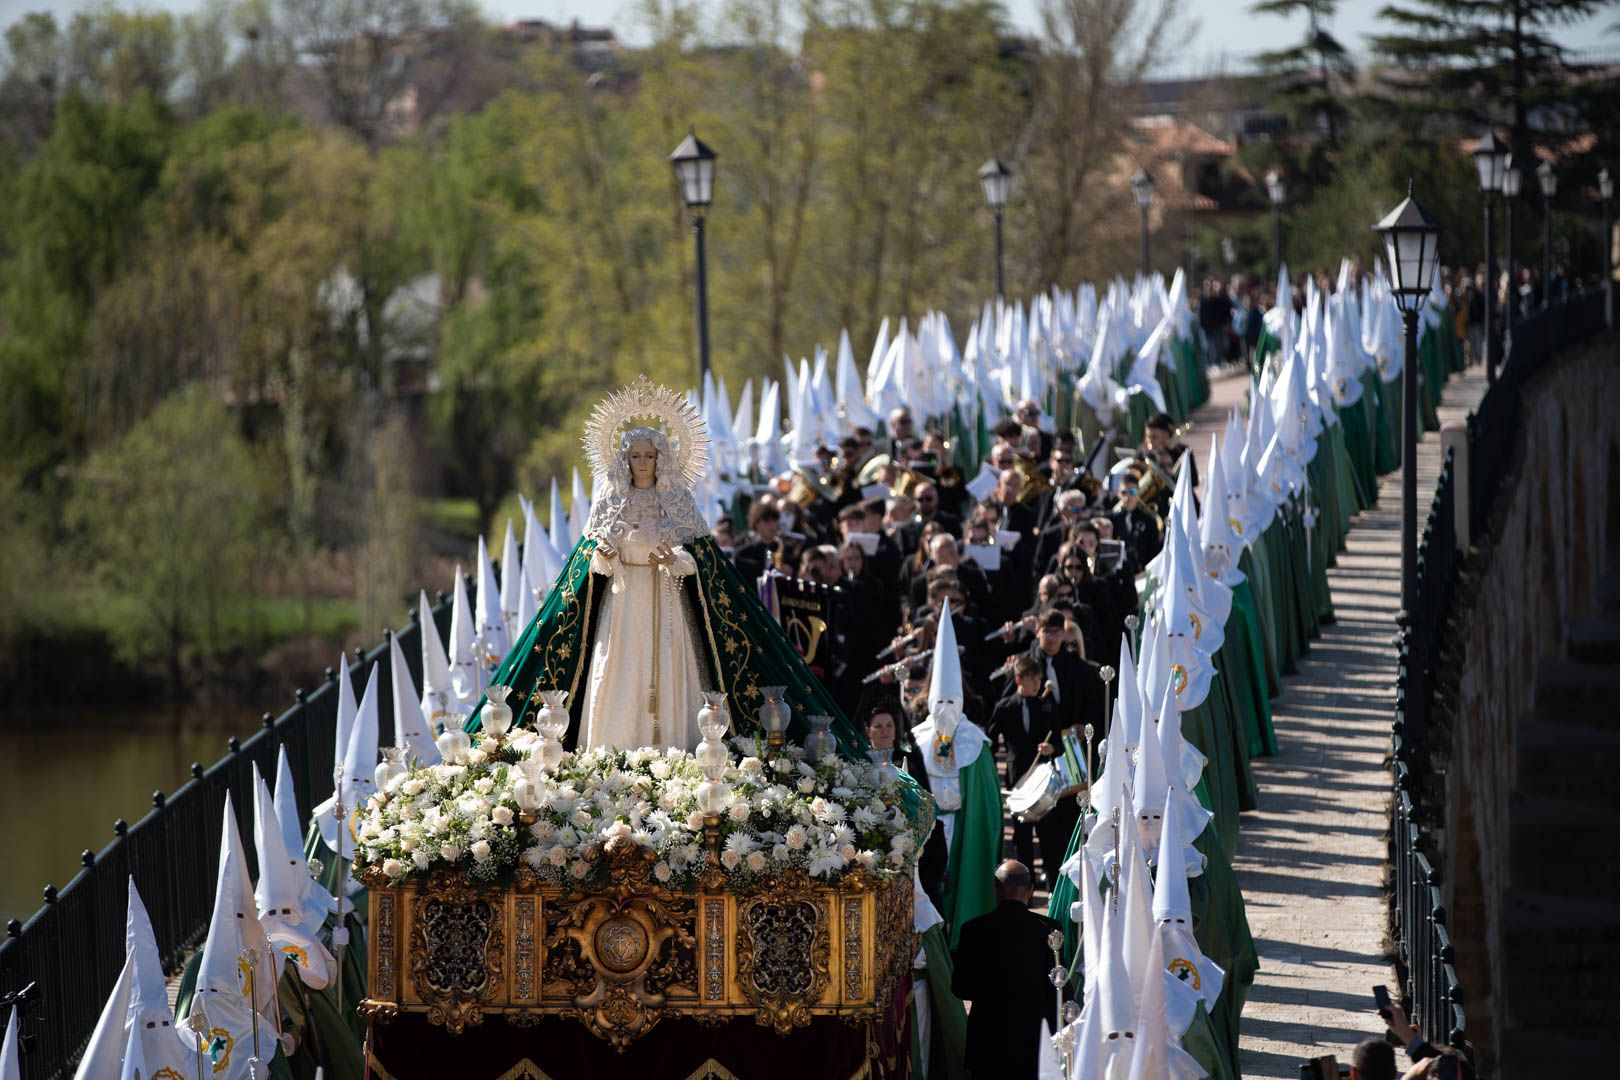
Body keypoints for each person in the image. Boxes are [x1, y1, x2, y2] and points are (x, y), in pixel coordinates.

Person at [951, 860, 1062, 1080]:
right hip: (1034, 1041)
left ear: (995, 889)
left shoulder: (972, 930)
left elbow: (961, 988)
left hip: (987, 1041)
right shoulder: (1050, 929)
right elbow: (1058, 987)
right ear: (1030, 891)